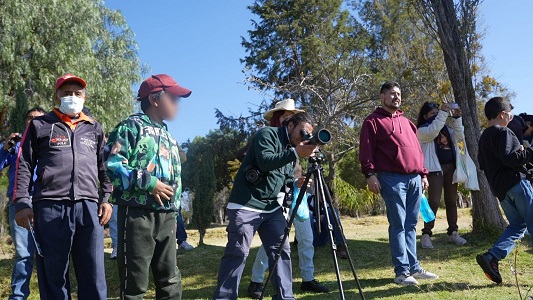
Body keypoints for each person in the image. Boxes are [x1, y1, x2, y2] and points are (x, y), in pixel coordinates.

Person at [14, 74, 113, 299]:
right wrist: (22, 202)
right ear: (57, 96)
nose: (72, 97)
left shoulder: (94, 127)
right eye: (67, 93)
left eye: (77, 93)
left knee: (94, 275)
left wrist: (106, 199)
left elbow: (104, 167)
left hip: (89, 208)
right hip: (49, 208)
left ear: (85, 97)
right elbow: (24, 164)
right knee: (54, 276)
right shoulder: (40, 124)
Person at [213, 112, 317, 300]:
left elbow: (284, 180)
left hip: (270, 207)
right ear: (291, 125)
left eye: (308, 135)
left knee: (281, 250)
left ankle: (285, 297)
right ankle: (224, 297)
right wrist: (295, 153)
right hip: (246, 204)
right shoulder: (267, 134)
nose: (304, 138)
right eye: (303, 132)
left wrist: (296, 184)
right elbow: (264, 162)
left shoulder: (291, 151)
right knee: (238, 252)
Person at [106, 74, 191, 299]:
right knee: (134, 282)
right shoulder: (130, 127)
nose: (177, 104)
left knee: (170, 280)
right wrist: (150, 183)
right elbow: (113, 166)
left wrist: (175, 206)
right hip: (137, 215)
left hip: (167, 216)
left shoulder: (169, 137)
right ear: (154, 99)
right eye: (173, 98)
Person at [246, 99, 328, 298]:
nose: (289, 119)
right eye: (284, 115)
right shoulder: (268, 138)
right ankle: (256, 281)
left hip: (297, 192)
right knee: (275, 240)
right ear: (278, 119)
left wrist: (299, 180)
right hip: (277, 196)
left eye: (292, 115)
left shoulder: (298, 140)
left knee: (306, 237)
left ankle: (308, 278)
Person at [359, 81, 439, 286]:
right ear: (382, 97)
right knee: (398, 225)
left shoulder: (408, 122)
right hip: (391, 178)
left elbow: (417, 150)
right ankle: (401, 272)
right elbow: (366, 151)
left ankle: (414, 267)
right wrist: (370, 174)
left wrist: (423, 174)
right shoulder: (372, 122)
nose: (396, 97)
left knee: (411, 225)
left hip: (414, 179)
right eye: (392, 94)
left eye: (399, 94)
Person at [476, 97, 533, 284]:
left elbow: (483, 165)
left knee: (517, 226)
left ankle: (492, 257)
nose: (512, 116)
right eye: (510, 112)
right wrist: (529, 152)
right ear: (502, 114)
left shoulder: (484, 137)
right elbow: (512, 158)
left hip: (501, 191)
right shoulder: (504, 132)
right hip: (517, 185)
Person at [1, 107, 46, 300]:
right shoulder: (15, 145)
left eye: (38, 118)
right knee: (23, 253)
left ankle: (51, 294)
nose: (33, 121)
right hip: (20, 203)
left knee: (50, 253)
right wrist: (4, 149)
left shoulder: (50, 142)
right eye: (30, 118)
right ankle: (19, 296)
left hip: (46, 202)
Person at [416, 102, 468, 249]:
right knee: (433, 201)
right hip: (433, 170)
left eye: (437, 113)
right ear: (425, 116)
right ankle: (426, 234)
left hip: (451, 168)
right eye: (433, 114)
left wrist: (457, 119)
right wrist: (443, 114)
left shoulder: (447, 129)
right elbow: (433, 131)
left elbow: (460, 138)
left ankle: (453, 233)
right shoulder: (422, 130)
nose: (437, 116)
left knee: (451, 201)